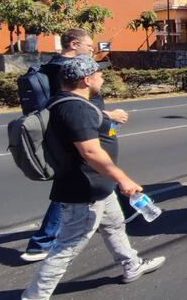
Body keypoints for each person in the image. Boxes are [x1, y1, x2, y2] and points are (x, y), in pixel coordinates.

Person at [22, 56, 164, 299]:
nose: (103, 76)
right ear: (87, 80)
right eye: (99, 73)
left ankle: (131, 265)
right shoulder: (75, 108)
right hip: (84, 189)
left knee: (115, 225)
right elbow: (90, 152)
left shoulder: (61, 101)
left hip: (96, 185)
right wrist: (123, 179)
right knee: (67, 247)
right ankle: (35, 296)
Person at [21, 29, 129, 263]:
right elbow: (72, 107)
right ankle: (44, 242)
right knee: (76, 187)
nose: (92, 49)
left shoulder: (58, 66)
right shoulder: (64, 69)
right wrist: (109, 114)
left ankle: (126, 215)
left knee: (99, 180)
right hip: (83, 132)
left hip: (88, 128)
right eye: (88, 45)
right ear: (72, 44)